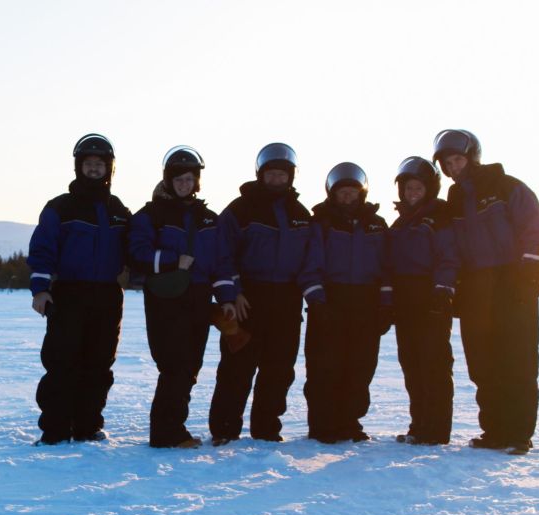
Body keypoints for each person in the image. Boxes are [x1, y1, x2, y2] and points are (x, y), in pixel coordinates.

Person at [433, 129, 539, 455]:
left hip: (512, 283)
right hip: (475, 288)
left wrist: (527, 275)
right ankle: (495, 430)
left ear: (472, 157)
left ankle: (517, 434)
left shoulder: (506, 186)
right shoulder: (453, 202)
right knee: (483, 363)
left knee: (517, 360)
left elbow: (534, 228)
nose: (454, 167)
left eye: (458, 159)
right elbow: (451, 247)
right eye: (447, 163)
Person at [209, 143, 321, 445]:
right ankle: (224, 430)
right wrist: (234, 293)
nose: (276, 179)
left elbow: (311, 258)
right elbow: (222, 254)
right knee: (237, 367)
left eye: (281, 174)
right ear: (261, 175)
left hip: (286, 299)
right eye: (271, 174)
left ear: (291, 177)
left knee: (279, 369)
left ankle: (266, 430)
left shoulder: (300, 214)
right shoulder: (240, 209)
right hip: (249, 298)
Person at [26, 133, 131, 445]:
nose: (94, 169)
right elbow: (43, 249)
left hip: (108, 295)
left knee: (99, 365)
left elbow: (136, 247)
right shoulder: (61, 207)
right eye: (89, 164)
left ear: (109, 169)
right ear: (79, 167)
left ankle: (88, 427)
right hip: (68, 294)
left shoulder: (118, 210)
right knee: (62, 363)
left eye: (100, 164)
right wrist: (40, 289)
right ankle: (55, 431)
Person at [129, 146, 236, 448]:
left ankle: (173, 429)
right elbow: (137, 253)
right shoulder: (151, 216)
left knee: (190, 366)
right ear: (168, 180)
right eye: (179, 179)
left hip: (199, 298)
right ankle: (166, 433)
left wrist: (226, 296)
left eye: (190, 179)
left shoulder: (208, 219)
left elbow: (222, 262)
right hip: (166, 298)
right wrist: (171, 260)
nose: (184, 185)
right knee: (174, 364)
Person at [304, 162, 390, 444]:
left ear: (361, 193)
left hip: (365, 301)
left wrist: (385, 304)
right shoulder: (321, 222)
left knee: (360, 366)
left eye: (353, 192)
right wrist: (318, 301)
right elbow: (310, 263)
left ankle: (349, 422)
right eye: (342, 193)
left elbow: (387, 267)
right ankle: (323, 426)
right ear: (332, 193)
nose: (348, 197)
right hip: (330, 300)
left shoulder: (377, 225)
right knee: (324, 367)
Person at [387, 157, 458, 445]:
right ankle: (419, 424)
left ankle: (436, 430)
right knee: (411, 363)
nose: (412, 193)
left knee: (434, 365)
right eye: (407, 188)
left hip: (431, 298)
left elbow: (449, 256)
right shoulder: (401, 221)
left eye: (417, 188)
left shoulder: (440, 217)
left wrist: (442, 291)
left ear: (429, 189)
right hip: (405, 301)